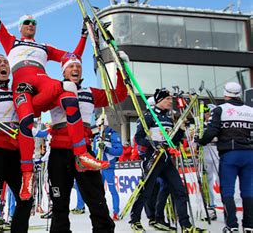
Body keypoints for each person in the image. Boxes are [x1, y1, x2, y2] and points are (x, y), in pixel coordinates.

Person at [0, 0, 108, 201]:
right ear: (20, 27)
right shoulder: (11, 42)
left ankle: (82, 153)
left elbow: (71, 58)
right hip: (23, 86)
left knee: (68, 93)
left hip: (43, 83)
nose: (31, 25)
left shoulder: (44, 47)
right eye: (27, 22)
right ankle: (27, 176)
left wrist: (84, 36)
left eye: (34, 22)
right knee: (25, 120)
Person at [47, 52, 128, 232]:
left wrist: (121, 70)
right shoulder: (54, 88)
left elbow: (119, 95)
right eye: (71, 66)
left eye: (78, 66)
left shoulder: (90, 92)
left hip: (84, 152)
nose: (75, 68)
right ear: (63, 71)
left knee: (97, 201)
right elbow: (36, 104)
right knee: (59, 205)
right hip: (59, 153)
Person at [129, 88, 205, 233]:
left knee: (179, 190)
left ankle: (186, 225)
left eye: (171, 99)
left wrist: (181, 130)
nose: (171, 101)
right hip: (153, 157)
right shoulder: (148, 116)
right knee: (147, 191)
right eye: (167, 99)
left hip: (166, 159)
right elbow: (138, 138)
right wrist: (155, 145)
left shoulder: (168, 118)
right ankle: (135, 220)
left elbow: (172, 142)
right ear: (159, 100)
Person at [0, 54, 33, 232]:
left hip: (17, 153)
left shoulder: (17, 93)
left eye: (5, 62)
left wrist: (30, 91)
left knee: (26, 198)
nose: (3, 65)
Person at [198, 82, 253, 233]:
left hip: (230, 154)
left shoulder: (220, 109)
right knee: (248, 190)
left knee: (227, 189)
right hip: (249, 153)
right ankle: (249, 225)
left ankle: (232, 225)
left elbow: (211, 132)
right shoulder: (250, 110)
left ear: (225, 94)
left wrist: (200, 141)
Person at [94, 118, 123, 221]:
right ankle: (100, 211)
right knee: (98, 191)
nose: (98, 128)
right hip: (98, 167)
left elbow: (119, 151)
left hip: (108, 167)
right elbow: (94, 151)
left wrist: (106, 149)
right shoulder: (97, 137)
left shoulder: (112, 135)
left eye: (99, 126)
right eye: (97, 126)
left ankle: (116, 212)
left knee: (112, 190)